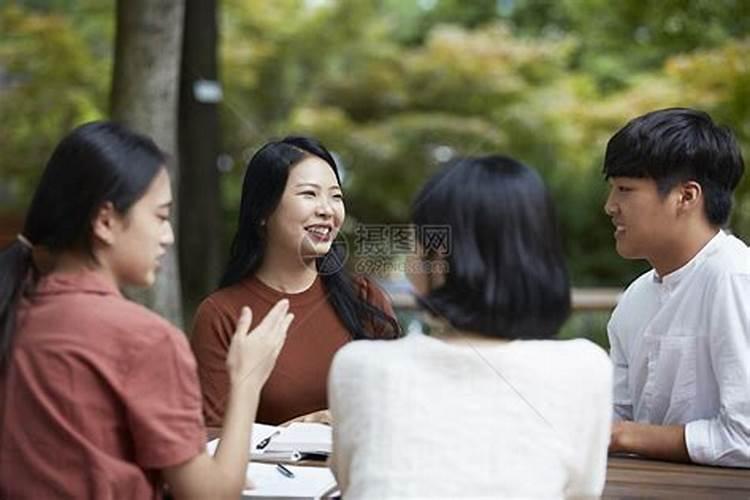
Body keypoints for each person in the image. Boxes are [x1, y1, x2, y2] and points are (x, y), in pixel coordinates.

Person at [0, 121, 293, 499]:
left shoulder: (18, 310)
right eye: (160, 215)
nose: (167, 235)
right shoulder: (145, 339)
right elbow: (213, 495)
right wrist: (248, 379)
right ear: (106, 221)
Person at [328, 155, 613, 498]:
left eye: (416, 239)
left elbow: (348, 483)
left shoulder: (359, 365)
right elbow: (581, 491)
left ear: (440, 260)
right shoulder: (585, 368)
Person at [191, 136, 400, 426]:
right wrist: (291, 431)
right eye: (309, 194)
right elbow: (210, 439)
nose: (327, 209)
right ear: (264, 211)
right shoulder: (222, 314)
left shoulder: (364, 297)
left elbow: (401, 407)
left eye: (335, 196)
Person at [603, 107, 750, 467]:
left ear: (686, 196)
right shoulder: (636, 297)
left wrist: (626, 435)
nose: (610, 206)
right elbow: (611, 416)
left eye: (625, 189)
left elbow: (745, 437)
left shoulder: (734, 279)